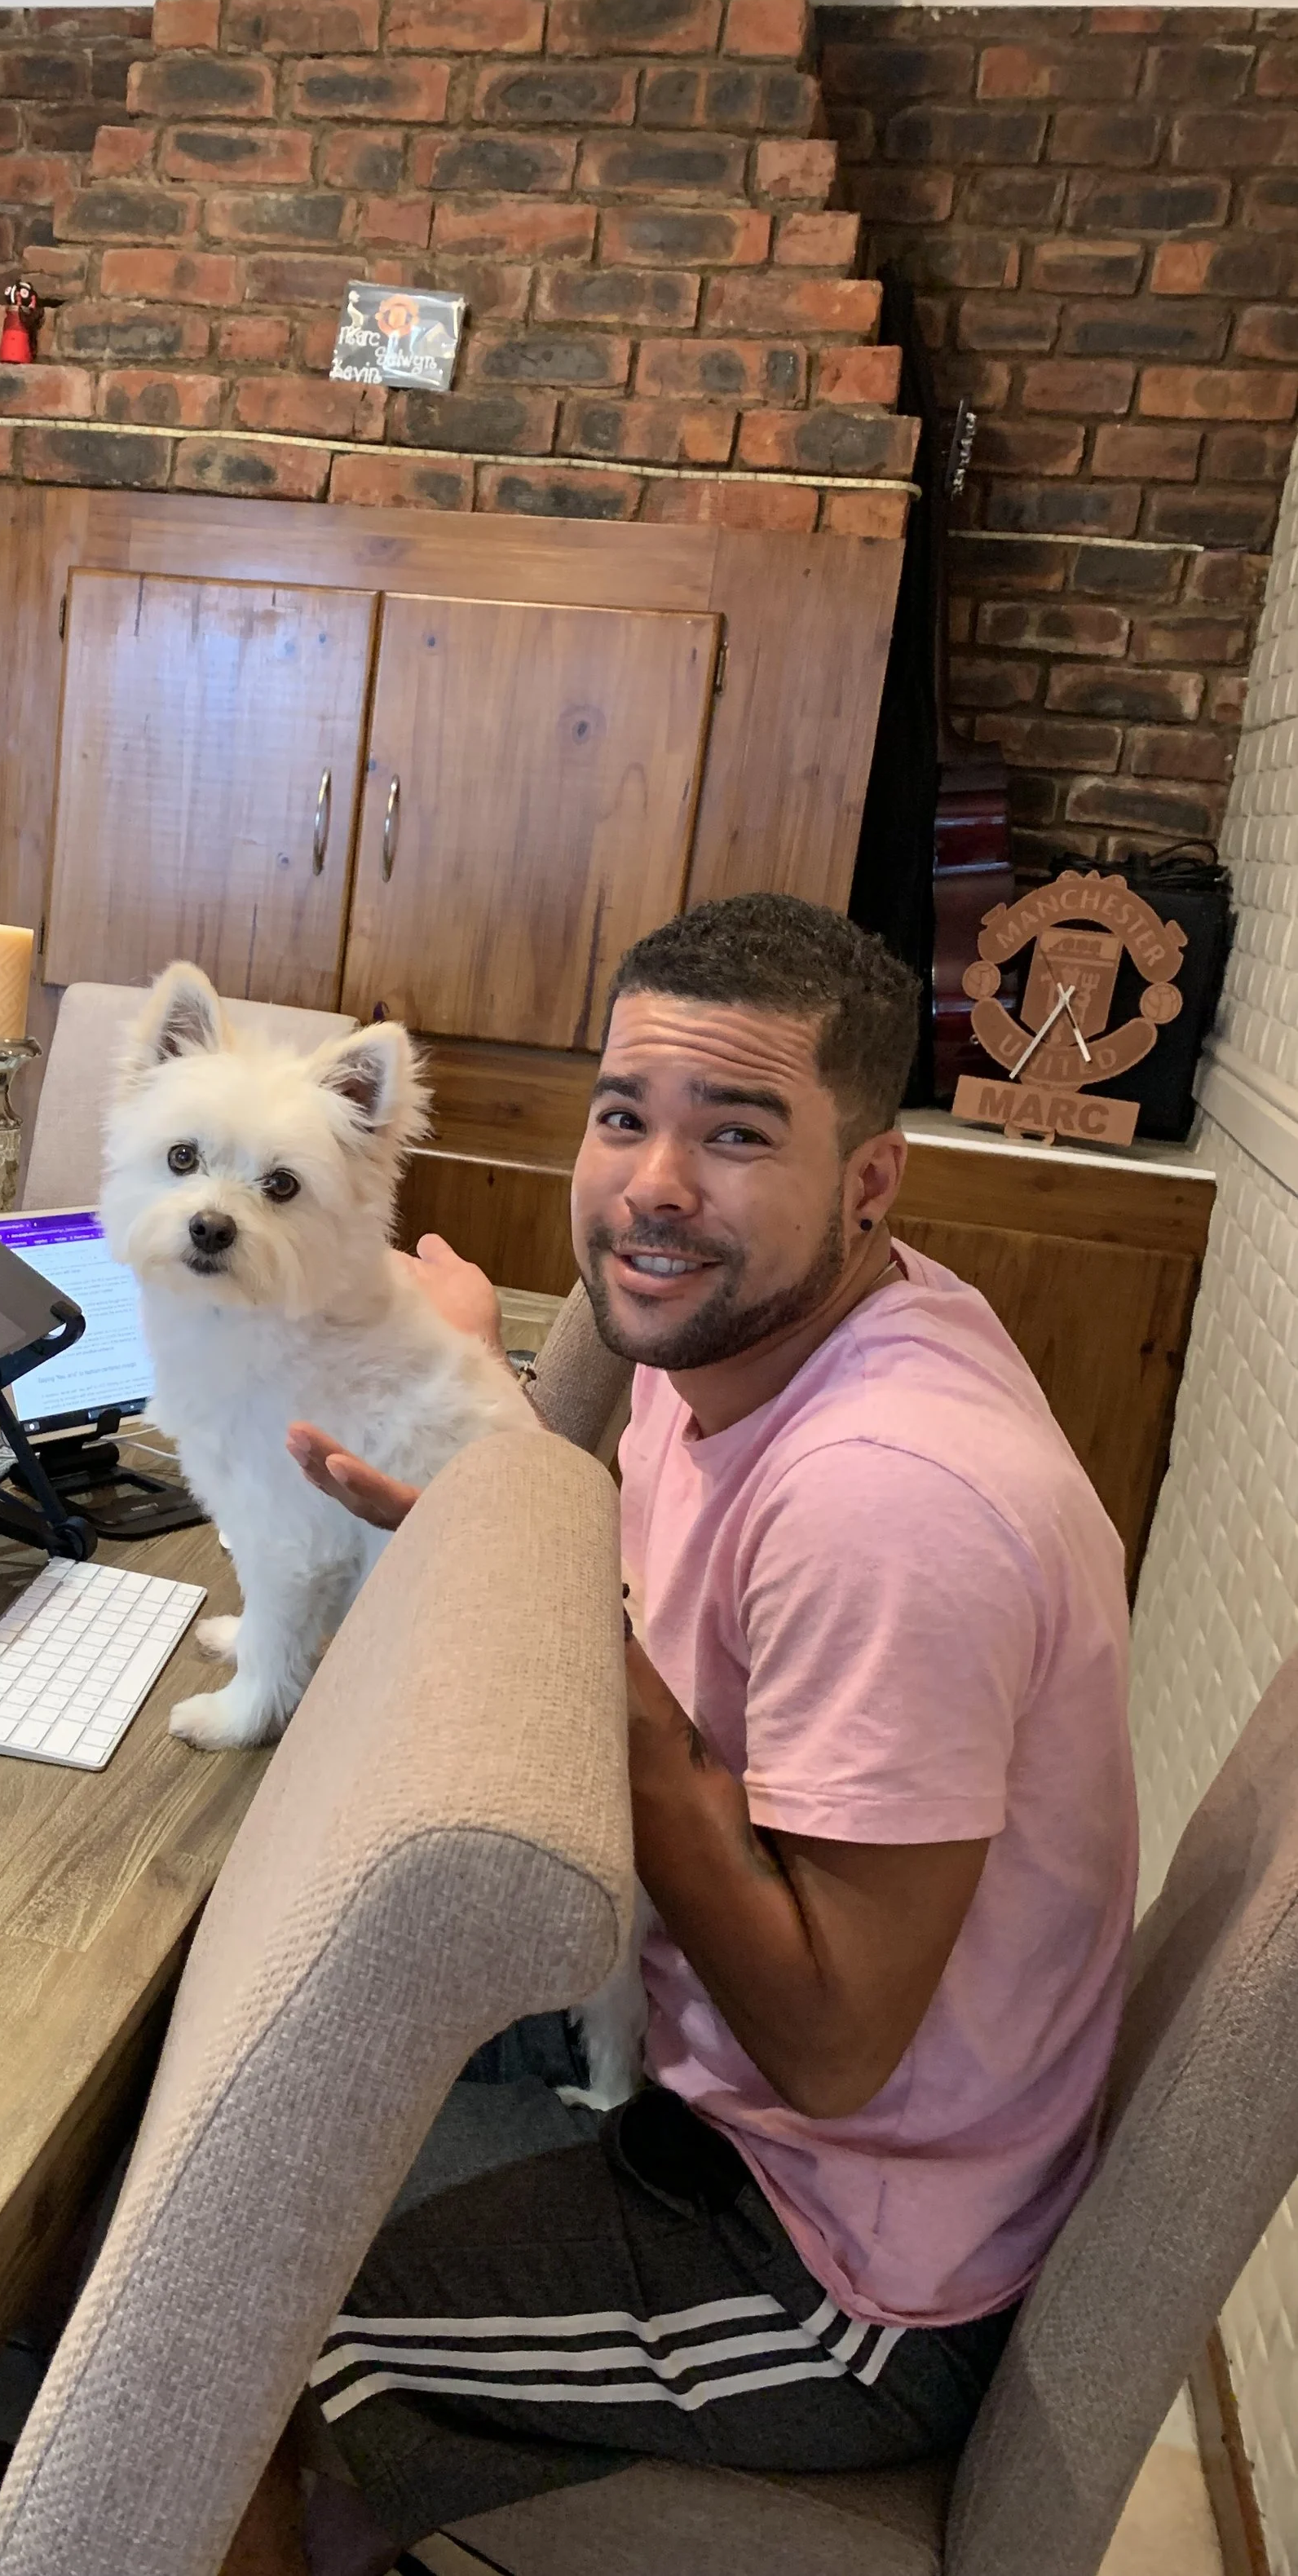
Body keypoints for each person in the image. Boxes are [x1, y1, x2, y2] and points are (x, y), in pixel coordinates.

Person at [223, 893, 1137, 2576]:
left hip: (833, 2258)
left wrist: (586, 1645)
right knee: (205, 2067)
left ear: (868, 1182)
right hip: (699, 2051)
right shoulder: (751, 1334)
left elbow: (834, 2043)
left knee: (206, 2328)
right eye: (622, 1114)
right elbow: (602, 1517)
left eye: (733, 1133)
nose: (651, 1183)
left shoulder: (889, 1504)